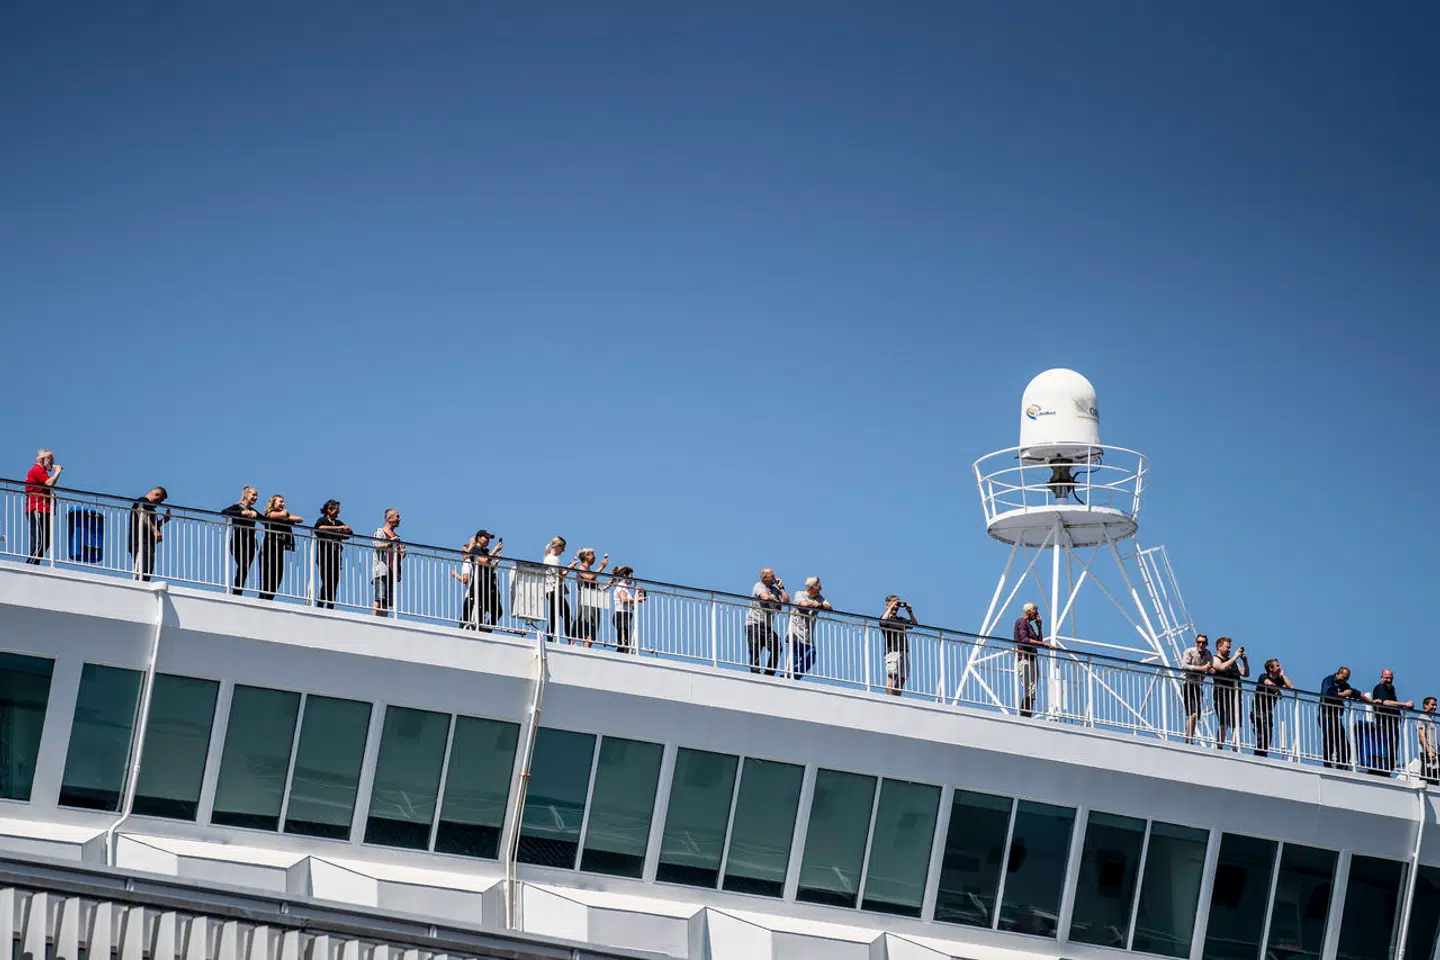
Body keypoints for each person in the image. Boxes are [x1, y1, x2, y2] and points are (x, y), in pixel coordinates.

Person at [452, 530, 503, 628]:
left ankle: (486, 630)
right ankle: (466, 628)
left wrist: (495, 563)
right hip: (479, 584)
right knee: (471, 608)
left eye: (489, 538)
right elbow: (484, 561)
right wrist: (495, 550)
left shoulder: (485, 551)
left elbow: (488, 566)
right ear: (479, 538)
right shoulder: (474, 549)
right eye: (486, 537)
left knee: (497, 611)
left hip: (487, 584)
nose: (488, 540)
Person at [257, 495, 303, 601]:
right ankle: (263, 597)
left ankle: (269, 598)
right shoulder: (269, 513)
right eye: (280, 501)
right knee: (267, 573)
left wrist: (286, 516)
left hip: (279, 548)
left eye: (283, 502)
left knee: (278, 575)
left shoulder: (284, 516)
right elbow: (279, 515)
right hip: (269, 546)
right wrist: (286, 515)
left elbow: (300, 519)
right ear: (273, 502)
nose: (283, 504)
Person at [1369, 669, 1413, 776]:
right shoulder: (1380, 687)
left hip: (1392, 724)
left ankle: (1387, 770)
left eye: (1391, 678)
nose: (1389, 680)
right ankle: (1382, 771)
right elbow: (1385, 702)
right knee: (1385, 749)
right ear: (1381, 677)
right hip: (1384, 723)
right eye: (1386, 677)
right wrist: (1405, 704)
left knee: (1392, 750)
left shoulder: (1391, 689)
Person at [1013, 602, 1054, 717]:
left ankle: (1027, 713)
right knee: (1028, 688)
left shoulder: (1029, 625)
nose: (1037, 613)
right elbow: (1024, 640)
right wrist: (1044, 644)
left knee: (1032, 689)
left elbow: (1038, 641)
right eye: (1036, 610)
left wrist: (1039, 626)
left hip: (1032, 659)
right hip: (1025, 658)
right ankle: (1025, 715)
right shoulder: (1021, 622)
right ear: (1030, 611)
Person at [745, 569, 788, 675]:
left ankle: (769, 673)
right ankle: (755, 672)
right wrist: (776, 600)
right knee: (755, 649)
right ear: (765, 578)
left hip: (767, 626)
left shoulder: (775, 590)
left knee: (777, 647)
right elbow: (764, 597)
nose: (774, 578)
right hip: (754, 624)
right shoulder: (758, 585)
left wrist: (781, 588)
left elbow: (786, 601)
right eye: (772, 576)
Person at [787, 577, 832, 679]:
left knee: (811, 657)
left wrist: (820, 605)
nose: (821, 588)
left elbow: (829, 607)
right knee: (794, 657)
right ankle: (789, 675)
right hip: (796, 632)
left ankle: (793, 676)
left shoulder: (819, 598)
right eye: (818, 586)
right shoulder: (799, 594)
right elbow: (803, 604)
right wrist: (813, 604)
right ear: (812, 587)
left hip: (808, 635)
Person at [220, 486, 261, 595]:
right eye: (253, 495)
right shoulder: (237, 507)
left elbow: (266, 521)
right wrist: (241, 514)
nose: (255, 497)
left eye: (256, 495)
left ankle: (238, 591)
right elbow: (224, 512)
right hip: (238, 541)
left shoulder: (253, 511)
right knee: (243, 565)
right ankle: (236, 592)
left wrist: (256, 516)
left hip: (250, 544)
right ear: (246, 495)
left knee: (245, 568)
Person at [1320, 666, 1363, 769]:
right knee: (1329, 740)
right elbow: (1328, 693)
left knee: (1344, 744)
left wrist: (1370, 701)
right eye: (1344, 677)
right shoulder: (1328, 680)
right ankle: (1327, 765)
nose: (1345, 680)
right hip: (1326, 715)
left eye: (1347, 678)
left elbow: (1354, 693)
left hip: (1336, 717)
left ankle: (1341, 766)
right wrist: (1343, 694)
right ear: (1338, 673)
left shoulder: (1344, 684)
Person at [24, 449, 62, 565]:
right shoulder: (37, 470)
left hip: (43, 509)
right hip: (37, 508)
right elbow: (49, 483)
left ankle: (34, 564)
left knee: (45, 541)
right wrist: (57, 472)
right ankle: (30, 565)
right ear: (42, 459)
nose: (52, 462)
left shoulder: (43, 472)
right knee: (40, 540)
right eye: (50, 459)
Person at [1210, 638, 1249, 750]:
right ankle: (1219, 746)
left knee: (1236, 723)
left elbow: (1245, 674)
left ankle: (1235, 747)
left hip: (1235, 697)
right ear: (1219, 646)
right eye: (1227, 647)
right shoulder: (1215, 659)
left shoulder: (1233, 662)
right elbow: (1221, 667)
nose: (1229, 649)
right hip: (1222, 695)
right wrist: (1235, 656)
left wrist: (1244, 661)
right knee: (1224, 721)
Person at [313, 500, 352, 609]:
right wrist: (338, 529)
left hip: (336, 556)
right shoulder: (322, 520)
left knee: (334, 582)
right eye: (336, 510)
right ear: (329, 509)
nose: (338, 513)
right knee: (326, 581)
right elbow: (318, 528)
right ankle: (320, 605)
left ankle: (330, 606)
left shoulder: (338, 522)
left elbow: (349, 534)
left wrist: (347, 529)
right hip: (324, 556)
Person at [1253, 658, 1293, 758]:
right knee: (1262, 731)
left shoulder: (1279, 679)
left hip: (1268, 711)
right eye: (1277, 666)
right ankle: (1259, 755)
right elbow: (1268, 683)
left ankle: (1263, 754)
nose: (1280, 667)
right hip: (1258, 709)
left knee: (1269, 733)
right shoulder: (1263, 676)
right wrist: (1278, 690)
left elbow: (1291, 687)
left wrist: (1283, 675)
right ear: (1271, 668)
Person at [128, 487, 170, 582]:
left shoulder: (150, 508)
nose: (159, 504)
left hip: (147, 543)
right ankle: (139, 589)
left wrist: (164, 520)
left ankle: (142, 587)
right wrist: (155, 531)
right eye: (159, 501)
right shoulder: (143, 501)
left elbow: (149, 522)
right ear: (157, 495)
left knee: (147, 571)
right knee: (143, 570)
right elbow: (142, 515)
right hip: (141, 542)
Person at [543, 537, 578, 642]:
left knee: (555, 615)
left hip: (550, 590)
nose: (563, 550)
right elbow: (560, 577)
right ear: (557, 547)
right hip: (554, 590)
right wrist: (569, 569)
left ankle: (551, 638)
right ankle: (569, 640)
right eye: (562, 548)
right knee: (565, 614)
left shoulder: (548, 558)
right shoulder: (554, 559)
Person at [1179, 634, 1213, 745]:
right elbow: (1184, 666)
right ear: (1195, 642)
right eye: (1199, 642)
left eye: (1203, 642)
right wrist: (1201, 668)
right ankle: (1188, 739)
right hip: (1187, 684)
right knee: (1192, 714)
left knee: (1195, 715)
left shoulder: (1208, 654)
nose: (1201, 644)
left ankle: (1190, 738)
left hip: (1198, 686)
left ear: (1206, 644)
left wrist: (1210, 670)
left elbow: (1210, 667)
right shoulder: (1189, 652)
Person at [573, 548, 610, 648]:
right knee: (586, 626)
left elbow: (594, 585)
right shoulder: (581, 567)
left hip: (592, 599)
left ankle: (586, 648)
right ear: (586, 556)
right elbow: (589, 577)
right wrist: (601, 567)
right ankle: (577, 646)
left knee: (591, 628)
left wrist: (608, 584)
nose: (594, 557)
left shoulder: (589, 570)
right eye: (592, 554)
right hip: (586, 600)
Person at [881, 595, 917, 696]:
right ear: (887, 604)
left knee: (902, 678)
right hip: (892, 651)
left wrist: (910, 611)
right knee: (892, 675)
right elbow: (882, 622)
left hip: (903, 650)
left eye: (897, 604)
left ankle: (896, 698)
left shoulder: (901, 619)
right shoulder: (885, 617)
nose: (896, 606)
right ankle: (889, 699)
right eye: (893, 603)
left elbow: (914, 624)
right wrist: (891, 608)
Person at [371, 509, 404, 617]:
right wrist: (391, 542)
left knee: (386, 601)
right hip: (382, 570)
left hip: (391, 572)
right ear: (389, 518)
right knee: (379, 597)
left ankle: (383, 621)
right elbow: (377, 545)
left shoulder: (395, 535)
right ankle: (373, 620)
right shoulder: (380, 531)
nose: (399, 519)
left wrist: (402, 553)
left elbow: (395, 556)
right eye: (397, 516)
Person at [611, 566, 645, 653]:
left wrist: (639, 595)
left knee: (626, 641)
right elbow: (624, 600)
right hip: (621, 615)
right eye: (631, 576)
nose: (632, 579)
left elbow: (630, 604)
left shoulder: (625, 588)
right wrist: (637, 599)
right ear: (625, 576)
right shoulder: (621, 586)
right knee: (623, 642)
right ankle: (619, 657)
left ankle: (622, 655)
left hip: (626, 615)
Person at [1418, 697, 1439, 786]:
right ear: (1425, 705)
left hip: (1435, 753)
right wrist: (1429, 750)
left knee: (1435, 779)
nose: (1435, 707)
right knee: (1427, 777)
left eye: (1436, 705)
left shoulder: (1432, 720)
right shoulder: (1422, 718)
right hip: (1428, 753)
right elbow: (1421, 736)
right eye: (1432, 704)